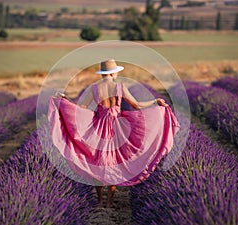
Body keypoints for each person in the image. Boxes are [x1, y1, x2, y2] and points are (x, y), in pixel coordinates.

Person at [48, 59, 179, 208]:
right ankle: (109, 202)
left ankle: (100, 201)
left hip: (98, 127)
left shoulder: (94, 88)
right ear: (114, 73)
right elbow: (136, 105)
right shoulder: (119, 86)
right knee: (113, 163)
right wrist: (155, 101)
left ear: (103, 74)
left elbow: (81, 107)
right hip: (117, 127)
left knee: (98, 162)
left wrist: (65, 101)